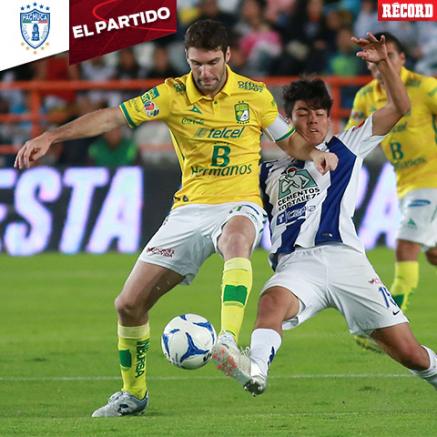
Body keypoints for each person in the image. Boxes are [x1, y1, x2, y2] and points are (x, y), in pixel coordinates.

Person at [14, 19, 337, 417]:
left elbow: (288, 139)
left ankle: (229, 342)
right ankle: (134, 394)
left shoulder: (254, 96)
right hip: (187, 210)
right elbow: (112, 117)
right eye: (196, 63)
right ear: (187, 58)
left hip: (239, 203)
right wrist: (51, 136)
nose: (204, 72)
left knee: (238, 239)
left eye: (212, 63)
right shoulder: (171, 94)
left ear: (228, 57)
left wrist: (315, 153)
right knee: (128, 305)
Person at [214, 34, 437, 397]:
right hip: (297, 264)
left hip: (348, 261)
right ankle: (255, 370)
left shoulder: (348, 146)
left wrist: (383, 66)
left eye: (320, 113)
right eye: (303, 113)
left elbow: (400, 107)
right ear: (289, 119)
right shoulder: (267, 172)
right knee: (270, 304)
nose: (314, 121)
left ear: (328, 117)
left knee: (409, 353)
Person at [346, 32, 437, 322]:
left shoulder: (425, 88)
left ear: (401, 58)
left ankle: (388, 322)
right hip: (404, 183)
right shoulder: (366, 96)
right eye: (373, 64)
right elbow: (351, 138)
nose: (379, 67)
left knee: (405, 244)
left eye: (387, 58)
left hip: (431, 180)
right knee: (433, 254)